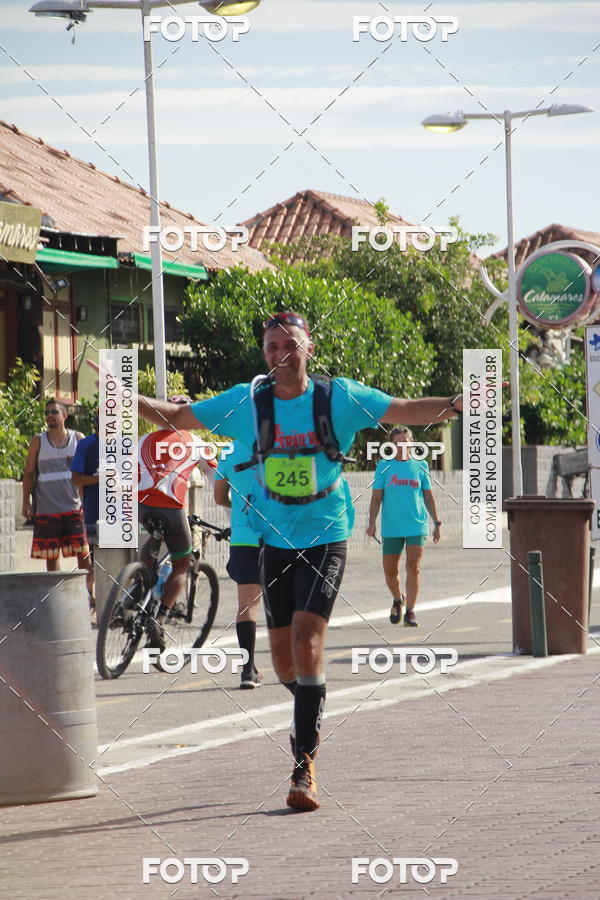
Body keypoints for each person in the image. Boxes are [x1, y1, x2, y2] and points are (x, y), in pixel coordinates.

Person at [88, 311, 462, 812]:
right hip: (274, 538)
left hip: (326, 532)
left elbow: (407, 409)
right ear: (264, 354)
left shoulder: (338, 398)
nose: (281, 353)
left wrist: (459, 403)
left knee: (308, 642)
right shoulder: (248, 403)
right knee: (284, 661)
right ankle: (308, 708)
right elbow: (177, 417)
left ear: (309, 347)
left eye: (290, 344)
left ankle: (303, 767)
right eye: (271, 347)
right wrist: (124, 397)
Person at [137, 409, 217, 651]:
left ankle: (136, 589)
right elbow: (216, 479)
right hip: (171, 507)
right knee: (182, 563)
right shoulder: (194, 441)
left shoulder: (145, 438)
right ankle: (160, 618)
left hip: (141, 504)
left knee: (156, 536)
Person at [366, 427, 442, 627]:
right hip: (392, 528)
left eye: (405, 442)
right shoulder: (384, 466)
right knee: (390, 573)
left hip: (417, 525)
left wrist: (437, 522)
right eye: (397, 443)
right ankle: (398, 599)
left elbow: (428, 496)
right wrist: (371, 522)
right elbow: (376, 498)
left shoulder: (421, 465)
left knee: (413, 567)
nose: (401, 446)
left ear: (412, 443)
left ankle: (410, 612)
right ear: (391, 445)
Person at [22, 398, 92, 600]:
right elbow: (29, 473)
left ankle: (87, 595)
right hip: (47, 509)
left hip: (74, 507)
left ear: (65, 415)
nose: (49, 416)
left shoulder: (78, 439)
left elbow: (87, 473)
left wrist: (89, 503)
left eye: (54, 412)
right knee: (51, 556)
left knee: (84, 554)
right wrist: (26, 502)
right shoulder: (38, 441)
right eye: (47, 413)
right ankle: (58, 599)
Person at [214, 441, 263, 690]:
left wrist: (241, 506)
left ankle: (247, 670)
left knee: (246, 605)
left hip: (244, 537)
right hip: (281, 537)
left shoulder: (230, 451)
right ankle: (295, 665)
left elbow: (219, 497)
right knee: (287, 602)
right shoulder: (282, 441)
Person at [70, 412, 100, 615]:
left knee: (121, 562)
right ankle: (88, 599)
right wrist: (101, 478)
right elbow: (76, 479)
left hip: (122, 514)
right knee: (95, 562)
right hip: (93, 513)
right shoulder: (86, 445)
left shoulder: (126, 446)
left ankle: (112, 607)